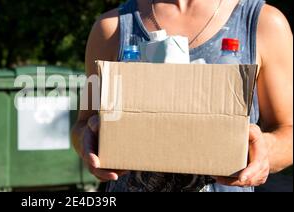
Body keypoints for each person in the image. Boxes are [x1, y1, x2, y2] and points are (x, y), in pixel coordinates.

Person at [72, 0, 293, 192]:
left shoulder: (262, 23)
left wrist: (263, 153)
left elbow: (288, 131)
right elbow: (82, 125)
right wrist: (87, 141)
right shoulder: (113, 28)